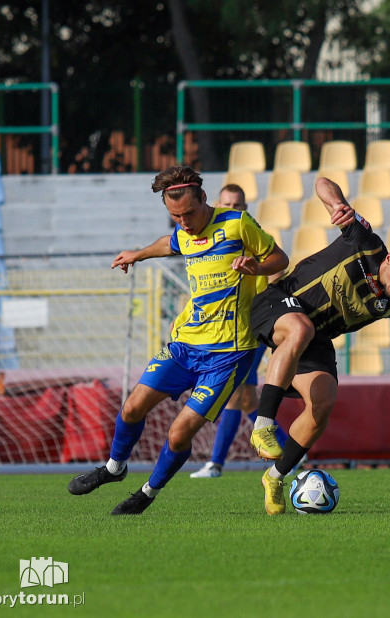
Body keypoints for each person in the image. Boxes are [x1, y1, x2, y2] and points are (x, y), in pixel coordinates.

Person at [67, 167, 288, 514]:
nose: (184, 222)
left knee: (178, 434)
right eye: (175, 216)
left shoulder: (237, 224)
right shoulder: (183, 232)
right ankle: (114, 468)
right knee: (131, 408)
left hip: (229, 354)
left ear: (204, 199)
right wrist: (137, 254)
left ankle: (147, 494)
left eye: (189, 213)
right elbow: (169, 244)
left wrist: (256, 268)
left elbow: (280, 258)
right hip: (185, 344)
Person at [247, 176, 390, 514]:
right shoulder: (364, 243)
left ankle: (277, 475)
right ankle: (263, 425)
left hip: (313, 336)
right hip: (278, 304)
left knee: (323, 403)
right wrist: (338, 205)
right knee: (300, 327)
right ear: (389, 259)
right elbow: (323, 183)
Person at [190, 183, 291, 478]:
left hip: (249, 326)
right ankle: (292, 454)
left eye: (239, 206)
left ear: (245, 209)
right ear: (218, 206)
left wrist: (262, 295)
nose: (234, 210)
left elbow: (278, 266)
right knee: (245, 399)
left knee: (234, 395)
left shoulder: (248, 233)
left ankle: (216, 463)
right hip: (225, 326)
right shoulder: (215, 238)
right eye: (228, 205)